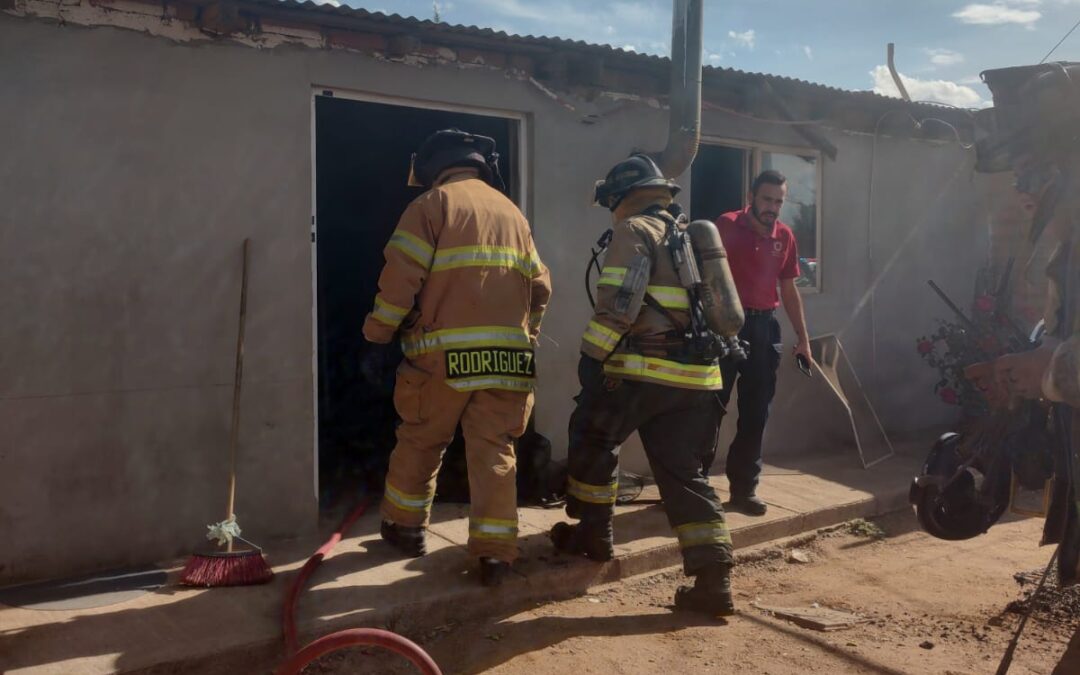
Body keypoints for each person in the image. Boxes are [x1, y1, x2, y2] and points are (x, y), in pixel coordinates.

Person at [550, 153, 740, 617]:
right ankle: (714, 580)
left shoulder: (634, 231)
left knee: (593, 438)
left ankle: (594, 535)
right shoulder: (690, 237)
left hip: (640, 371)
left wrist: (592, 358)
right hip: (698, 378)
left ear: (622, 197)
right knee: (683, 475)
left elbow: (618, 304)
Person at [360, 128, 551, 587]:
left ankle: (406, 530)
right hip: (508, 362)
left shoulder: (430, 206)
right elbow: (541, 287)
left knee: (423, 440)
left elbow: (400, 281)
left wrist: (377, 336)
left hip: (441, 359)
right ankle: (495, 556)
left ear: (433, 169)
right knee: (496, 454)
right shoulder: (513, 214)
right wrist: (526, 335)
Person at [715, 170, 814, 516]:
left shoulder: (785, 236)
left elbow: (788, 289)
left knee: (756, 414)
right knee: (709, 408)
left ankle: (744, 491)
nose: (772, 207)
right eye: (767, 199)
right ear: (752, 196)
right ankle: (692, 490)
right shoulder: (725, 226)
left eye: (779, 201)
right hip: (724, 327)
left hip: (763, 328)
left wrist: (803, 339)